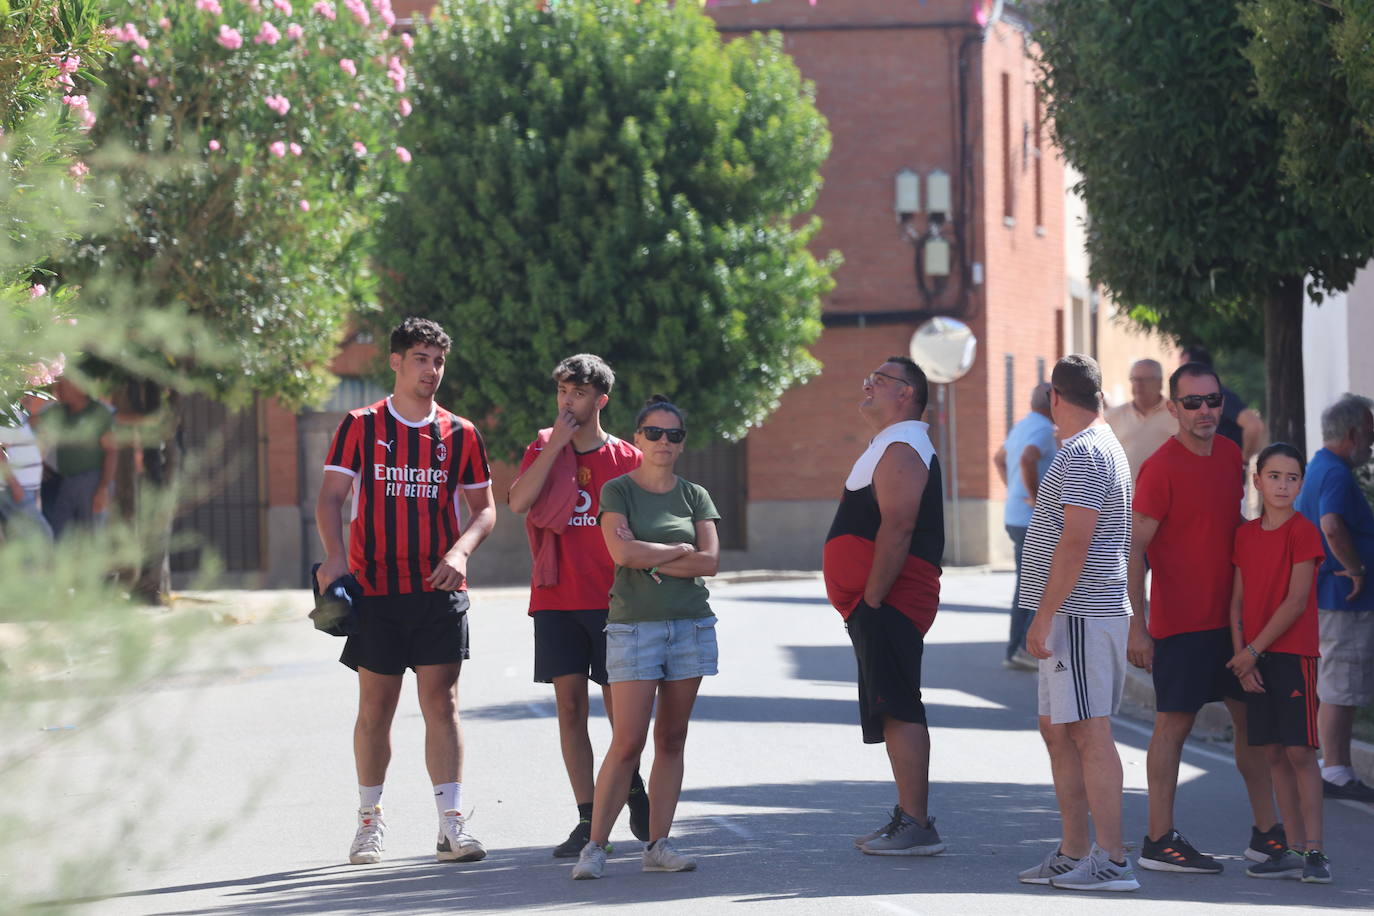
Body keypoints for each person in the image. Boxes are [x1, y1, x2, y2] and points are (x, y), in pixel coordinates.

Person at [314, 317, 497, 866]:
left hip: (439, 589)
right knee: (377, 709)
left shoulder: (460, 432)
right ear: (395, 361)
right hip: (376, 590)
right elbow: (330, 499)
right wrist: (337, 557)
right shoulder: (361, 424)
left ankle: (451, 825)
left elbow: (485, 510)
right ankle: (369, 822)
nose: (431, 371)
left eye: (438, 360)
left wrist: (460, 551)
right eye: (420, 358)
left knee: (443, 703)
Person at [1127, 362, 1281, 873]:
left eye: (1212, 400)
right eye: (1191, 403)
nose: (1204, 411)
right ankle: (1158, 840)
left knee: (1250, 723)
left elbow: (1228, 525)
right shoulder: (1160, 467)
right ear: (1173, 409)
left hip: (1233, 622)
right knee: (1173, 726)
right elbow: (1134, 550)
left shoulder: (1233, 455)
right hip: (1180, 625)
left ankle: (1266, 834)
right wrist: (1137, 624)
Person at [571, 395, 721, 880]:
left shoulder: (695, 495)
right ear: (637, 437)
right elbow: (621, 554)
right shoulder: (618, 491)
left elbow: (710, 562)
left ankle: (658, 845)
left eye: (673, 435)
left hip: (690, 626)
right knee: (628, 740)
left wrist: (652, 553)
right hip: (634, 626)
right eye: (653, 433)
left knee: (672, 739)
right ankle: (595, 846)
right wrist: (678, 549)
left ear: (681, 443)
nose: (663, 442)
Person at [507, 353, 650, 857]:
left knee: (621, 715)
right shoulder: (543, 446)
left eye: (580, 393)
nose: (568, 401)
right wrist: (557, 446)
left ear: (601, 400)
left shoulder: (628, 460)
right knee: (569, 708)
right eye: (563, 392)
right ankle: (588, 817)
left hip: (614, 602)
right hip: (555, 597)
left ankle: (630, 786)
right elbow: (519, 501)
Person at [1017, 354, 1139, 893]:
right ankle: (1074, 852)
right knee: (1059, 729)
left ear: (1055, 396)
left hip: (1082, 613)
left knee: (1089, 731)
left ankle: (1111, 859)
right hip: (1074, 614)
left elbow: (1076, 539)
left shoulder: (1087, 451)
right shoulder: (1089, 446)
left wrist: (1044, 615)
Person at [824, 356, 946, 858]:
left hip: (890, 600)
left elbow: (897, 527)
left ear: (907, 395)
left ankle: (916, 822)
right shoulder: (891, 444)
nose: (867, 382)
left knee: (899, 705)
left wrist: (871, 597)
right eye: (868, 375)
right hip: (878, 601)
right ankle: (907, 815)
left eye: (882, 379)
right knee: (891, 708)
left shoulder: (904, 445)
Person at [1227, 443, 1332, 884]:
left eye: (1292, 478)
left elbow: (1294, 602)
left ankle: (1315, 853)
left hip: (1292, 656)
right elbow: (1236, 604)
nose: (1282, 484)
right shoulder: (1245, 535)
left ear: (1301, 485)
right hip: (1254, 659)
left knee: (1300, 753)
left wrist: (1252, 652)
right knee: (1271, 752)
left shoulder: (1304, 532)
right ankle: (1289, 847)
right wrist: (1245, 660)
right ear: (1257, 480)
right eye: (1274, 476)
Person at [1295, 393, 1374, 802]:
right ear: (1353, 432)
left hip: (1329, 593)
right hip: (1344, 596)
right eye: (1370, 432)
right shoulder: (1337, 474)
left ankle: (1334, 766)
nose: (1372, 442)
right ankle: (1337, 769)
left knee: (1335, 682)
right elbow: (1331, 524)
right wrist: (1357, 567)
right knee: (1343, 683)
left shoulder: (1321, 466)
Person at [995, 382, 1056, 670]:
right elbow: (1027, 458)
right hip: (1034, 521)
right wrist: (1035, 497)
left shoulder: (1022, 425)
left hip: (1016, 516)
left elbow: (999, 458)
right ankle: (1023, 649)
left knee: (1025, 587)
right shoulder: (1044, 429)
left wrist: (1013, 490)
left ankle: (1014, 650)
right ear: (1051, 401)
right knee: (1039, 587)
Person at [38, 375, 115, 537]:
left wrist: (102, 488)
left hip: (92, 481)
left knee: (91, 535)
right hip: (65, 481)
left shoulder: (98, 412)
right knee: (60, 533)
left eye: (64, 385)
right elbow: (30, 425)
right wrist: (40, 464)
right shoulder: (59, 411)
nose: (58, 389)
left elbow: (111, 452)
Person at [1178, 344, 1265, 467]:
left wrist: (1243, 460)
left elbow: (1254, 426)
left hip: (1222, 475)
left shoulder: (1218, 396)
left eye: (1182, 368)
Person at [1105, 359, 1175, 481]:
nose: (1138, 384)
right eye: (1134, 379)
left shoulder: (1176, 415)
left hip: (1167, 495)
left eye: (1145, 380)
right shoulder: (1112, 416)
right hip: (1127, 497)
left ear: (1160, 383)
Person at [0, 393, 54, 541]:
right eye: (25, 393)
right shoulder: (8, 413)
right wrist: (14, 485)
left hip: (24, 487)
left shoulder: (21, 415)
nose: (30, 397)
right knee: (43, 535)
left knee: (19, 541)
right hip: (14, 488)